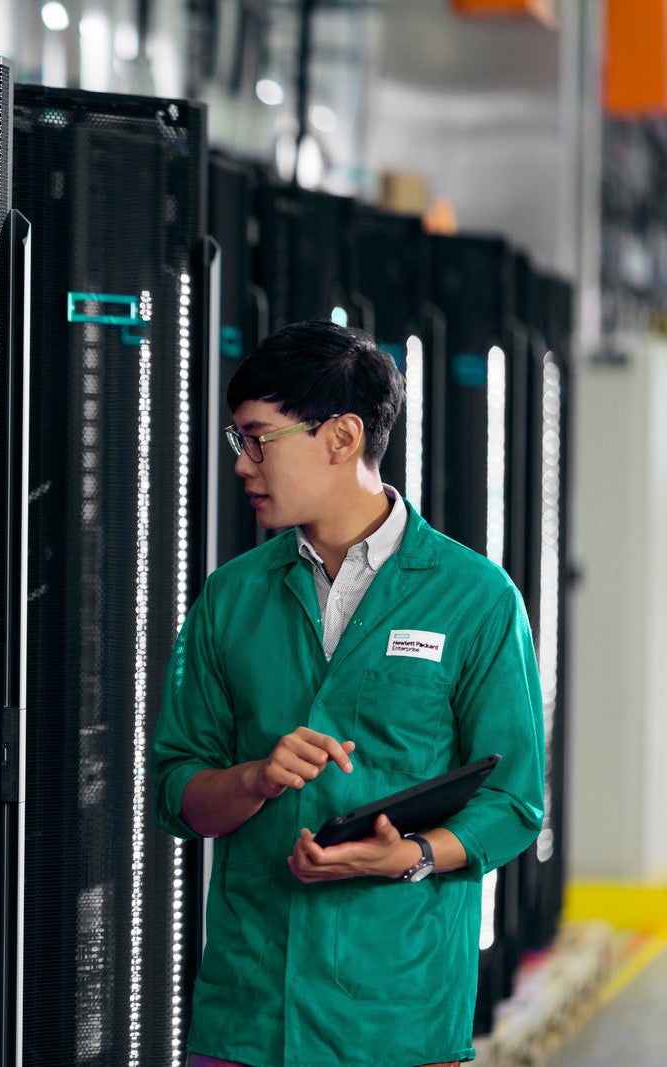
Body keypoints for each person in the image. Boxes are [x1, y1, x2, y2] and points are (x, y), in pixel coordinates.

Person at [151, 320, 545, 1067]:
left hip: (398, 1017)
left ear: (341, 437)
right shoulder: (230, 599)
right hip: (248, 1017)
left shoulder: (477, 599)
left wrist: (411, 855)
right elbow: (178, 791)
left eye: (257, 437)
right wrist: (253, 778)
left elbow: (516, 801)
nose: (242, 464)